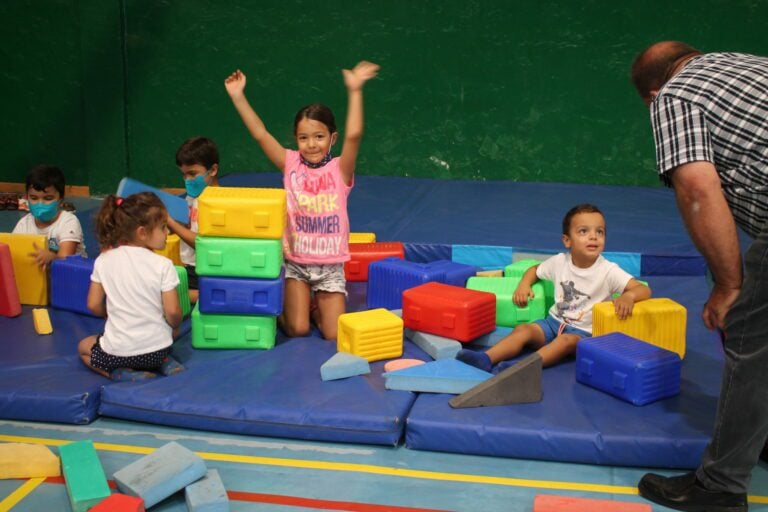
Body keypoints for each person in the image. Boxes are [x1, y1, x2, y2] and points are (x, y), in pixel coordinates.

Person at [630, 41, 768, 512]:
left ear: (651, 93)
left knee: (752, 339)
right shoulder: (748, 64)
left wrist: (729, 285)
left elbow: (696, 186)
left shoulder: (675, 95)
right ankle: (757, 432)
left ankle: (720, 486)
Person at [224, 61, 379, 339]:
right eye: (304, 138)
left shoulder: (340, 170)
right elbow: (260, 134)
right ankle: (290, 308)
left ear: (332, 138)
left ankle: (316, 308)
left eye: (319, 137)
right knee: (297, 329)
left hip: (330, 265)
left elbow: (355, 135)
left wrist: (355, 90)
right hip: (296, 261)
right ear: (296, 139)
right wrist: (238, 97)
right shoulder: (290, 163)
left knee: (333, 334)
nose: (311, 144)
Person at [457, 204, 651, 371]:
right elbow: (534, 269)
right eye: (584, 231)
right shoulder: (559, 262)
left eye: (599, 232)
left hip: (583, 334)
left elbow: (643, 289)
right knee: (524, 329)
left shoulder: (608, 270)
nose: (593, 237)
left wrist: (629, 296)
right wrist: (524, 284)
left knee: (564, 342)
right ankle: (486, 358)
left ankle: (521, 369)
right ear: (567, 241)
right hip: (552, 323)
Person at [77, 192, 185, 381]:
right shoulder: (163, 264)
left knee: (84, 348)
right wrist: (174, 328)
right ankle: (164, 361)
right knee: (166, 330)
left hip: (119, 354)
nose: (167, 233)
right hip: (157, 350)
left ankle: (118, 373)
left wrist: (109, 314)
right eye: (163, 228)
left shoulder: (103, 260)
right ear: (142, 232)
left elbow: (93, 305)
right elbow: (173, 311)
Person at [166, 136, 221, 304]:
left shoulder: (218, 203)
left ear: (212, 170)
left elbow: (202, 244)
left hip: (203, 269)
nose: (187, 180)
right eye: (183, 175)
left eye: (192, 174)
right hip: (188, 267)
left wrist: (172, 224)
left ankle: (212, 295)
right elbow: (186, 224)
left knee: (159, 292)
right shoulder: (192, 197)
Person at [12, 164, 86, 267]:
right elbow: (13, 252)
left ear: (61, 200)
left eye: (47, 198)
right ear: (26, 198)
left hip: (70, 277)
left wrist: (52, 257)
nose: (40, 204)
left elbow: (67, 258)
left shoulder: (68, 222)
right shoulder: (24, 224)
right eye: (34, 198)